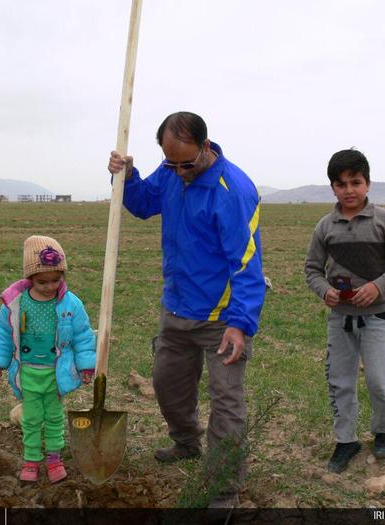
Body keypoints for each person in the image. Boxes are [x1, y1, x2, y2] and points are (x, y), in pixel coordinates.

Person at [107, 111, 265, 508]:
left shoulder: (233, 190)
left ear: (206, 147)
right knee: (166, 384)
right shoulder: (171, 173)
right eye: (171, 162)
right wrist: (126, 175)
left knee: (226, 402)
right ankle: (186, 442)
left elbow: (247, 263)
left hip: (222, 319)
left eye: (187, 163)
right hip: (177, 309)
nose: (179, 172)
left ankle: (223, 491)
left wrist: (240, 324)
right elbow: (143, 204)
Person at [305, 149, 385, 473]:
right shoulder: (326, 226)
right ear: (333, 188)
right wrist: (325, 291)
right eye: (341, 184)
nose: (349, 190)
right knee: (340, 381)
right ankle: (346, 440)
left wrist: (377, 286)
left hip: (379, 316)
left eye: (356, 182)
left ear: (367, 183)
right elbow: (312, 269)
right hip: (340, 318)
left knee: (380, 380)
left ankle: (384, 432)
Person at [0, 235, 96, 483]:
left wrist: (87, 366)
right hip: (27, 373)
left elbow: (83, 336)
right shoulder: (15, 304)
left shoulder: (71, 304)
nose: (49, 286)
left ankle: (54, 458)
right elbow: (4, 334)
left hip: (56, 373)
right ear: (30, 278)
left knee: (55, 417)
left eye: (56, 280)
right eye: (42, 281)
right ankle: (32, 459)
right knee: (32, 418)